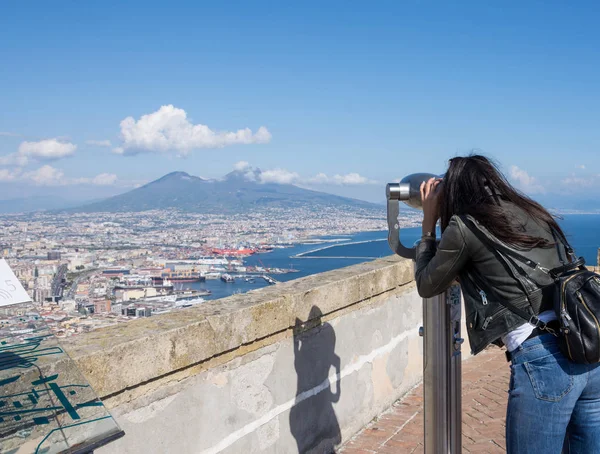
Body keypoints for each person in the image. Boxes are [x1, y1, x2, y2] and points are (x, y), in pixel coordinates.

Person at [415, 155, 600, 454]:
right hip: (586, 349)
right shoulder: (534, 212)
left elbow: (427, 283)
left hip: (543, 357)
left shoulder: (465, 226)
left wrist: (428, 224)